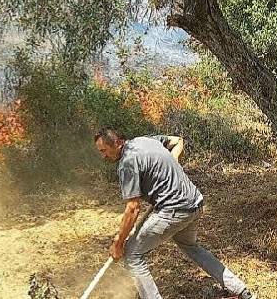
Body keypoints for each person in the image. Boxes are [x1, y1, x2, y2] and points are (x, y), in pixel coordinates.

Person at [93, 127, 257, 299]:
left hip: (174, 210)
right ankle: (241, 291)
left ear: (118, 143)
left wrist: (118, 243)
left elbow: (133, 208)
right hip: (195, 203)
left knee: (133, 256)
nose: (103, 156)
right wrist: (173, 160)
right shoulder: (145, 140)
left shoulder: (127, 162)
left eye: (104, 150)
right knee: (192, 247)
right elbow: (177, 141)